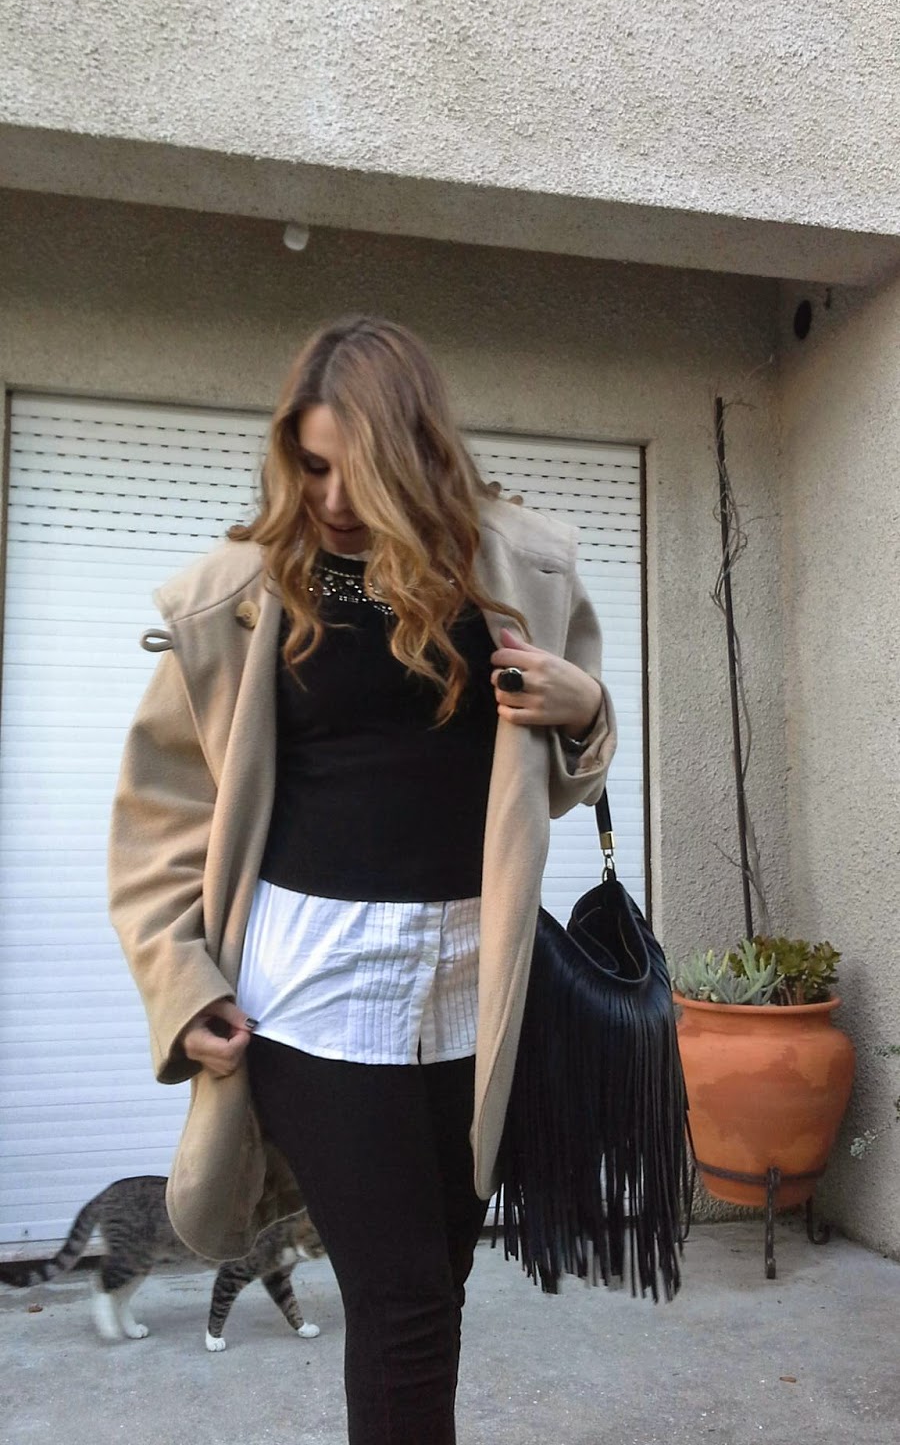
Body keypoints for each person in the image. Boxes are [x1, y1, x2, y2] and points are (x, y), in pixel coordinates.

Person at [108, 315, 616, 1445]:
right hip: (316, 993)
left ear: (417, 452)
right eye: (311, 463)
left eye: (359, 468)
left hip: (477, 986)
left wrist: (584, 706)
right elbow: (159, 819)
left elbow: (563, 780)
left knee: (437, 1284)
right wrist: (180, 982)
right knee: (406, 1306)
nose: (331, 496)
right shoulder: (241, 596)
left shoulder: (515, 568)